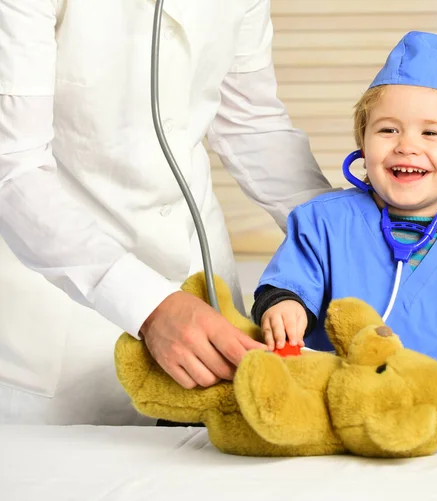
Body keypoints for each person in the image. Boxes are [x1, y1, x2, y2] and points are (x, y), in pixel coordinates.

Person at [0, 0, 333, 425]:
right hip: (63, 314)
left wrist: (347, 239)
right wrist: (148, 304)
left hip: (206, 294)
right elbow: (13, 167)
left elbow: (252, 124)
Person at [251, 31, 437, 427]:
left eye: (431, 132)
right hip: (336, 427)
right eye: (388, 130)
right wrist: (283, 307)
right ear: (363, 141)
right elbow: (284, 287)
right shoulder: (321, 223)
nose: (406, 146)